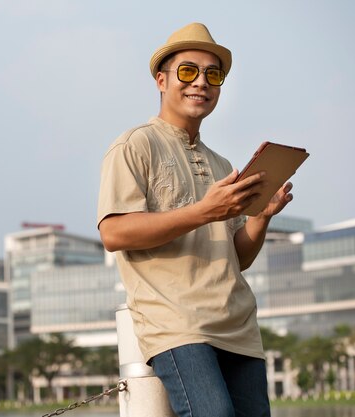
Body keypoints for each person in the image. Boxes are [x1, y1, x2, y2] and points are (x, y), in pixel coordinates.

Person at [97, 22, 292, 417]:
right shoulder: (134, 145)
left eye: (213, 74)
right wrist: (205, 210)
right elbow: (114, 232)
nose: (200, 82)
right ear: (161, 81)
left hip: (239, 326)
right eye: (188, 71)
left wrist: (262, 217)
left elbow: (238, 258)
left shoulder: (224, 165)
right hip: (177, 324)